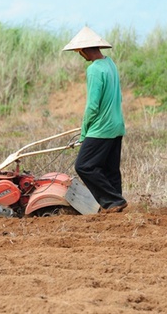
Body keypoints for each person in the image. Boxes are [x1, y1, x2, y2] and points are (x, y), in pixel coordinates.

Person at [63, 26, 128, 213]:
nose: (79, 55)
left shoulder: (94, 69)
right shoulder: (110, 64)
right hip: (117, 125)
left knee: (84, 165)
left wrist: (84, 131)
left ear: (84, 50)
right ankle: (117, 205)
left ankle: (113, 201)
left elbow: (93, 106)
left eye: (79, 52)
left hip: (102, 128)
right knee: (110, 169)